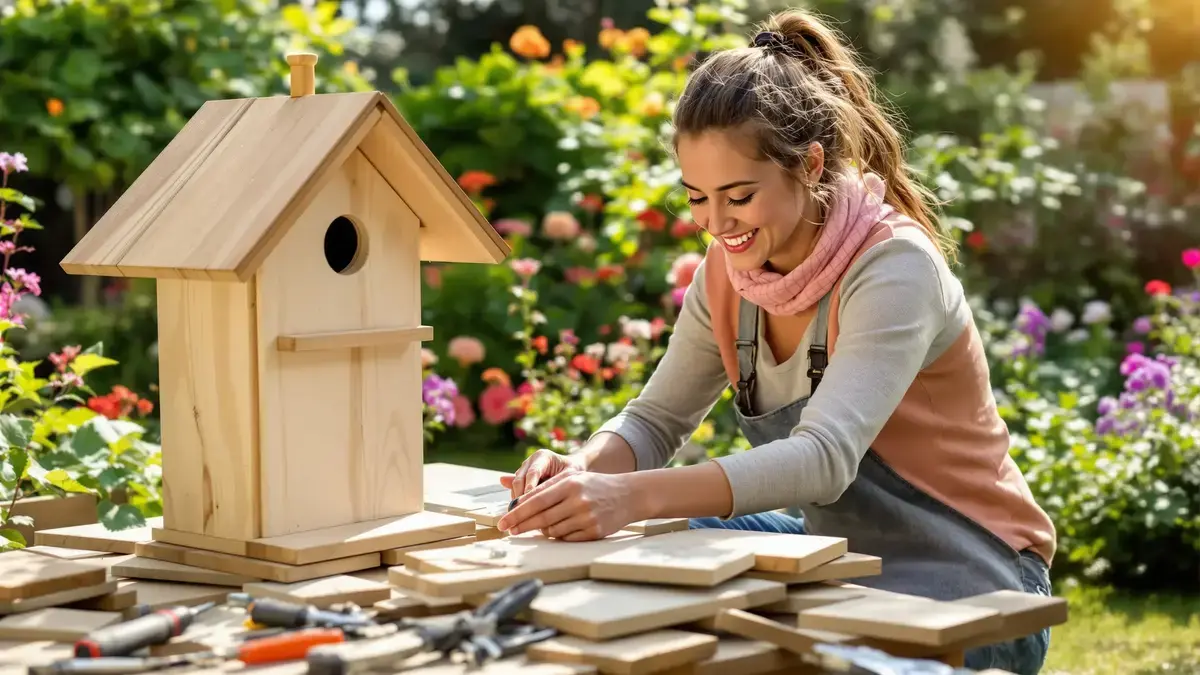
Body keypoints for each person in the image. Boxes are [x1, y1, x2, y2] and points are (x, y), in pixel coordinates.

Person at [494, 8, 1055, 674]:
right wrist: (584, 469)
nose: (716, 223)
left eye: (738, 196)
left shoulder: (894, 268)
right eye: (696, 198)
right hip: (843, 559)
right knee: (633, 556)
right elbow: (654, 420)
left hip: (974, 577)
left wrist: (632, 494)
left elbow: (823, 459)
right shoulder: (727, 275)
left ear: (810, 164)